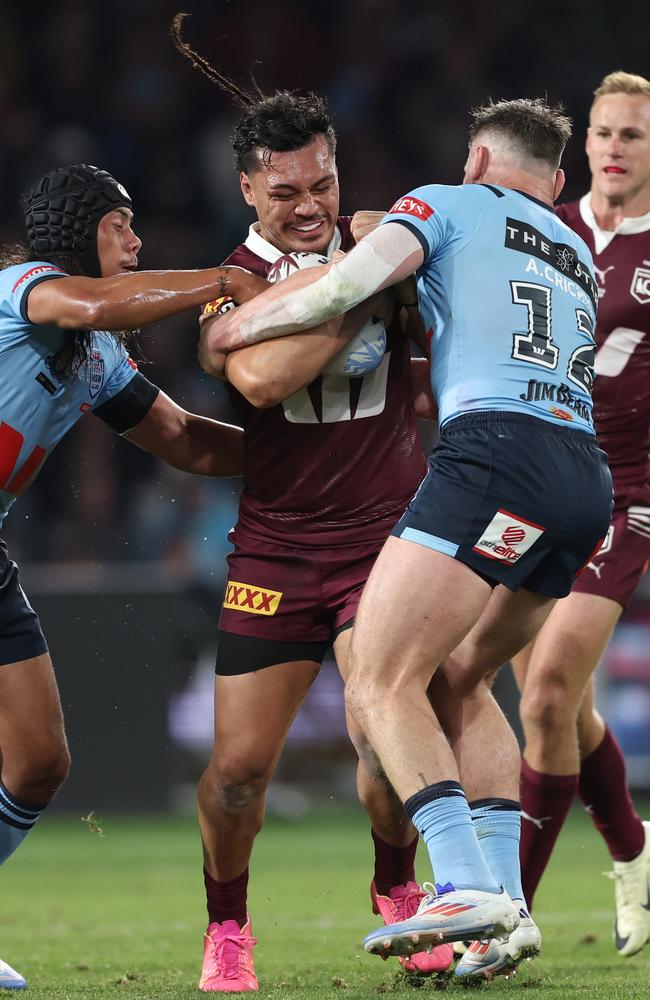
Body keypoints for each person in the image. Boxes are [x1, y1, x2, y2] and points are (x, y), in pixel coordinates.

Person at [207, 96, 613, 981]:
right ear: (555, 182)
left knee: (385, 684)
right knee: (463, 680)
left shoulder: (442, 203)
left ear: (474, 161)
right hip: (582, 478)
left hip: (493, 457)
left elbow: (350, 284)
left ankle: (462, 883)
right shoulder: (577, 249)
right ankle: (506, 908)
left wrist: (235, 326)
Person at [171, 18, 453, 993]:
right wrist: (364, 297)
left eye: (321, 185)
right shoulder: (227, 285)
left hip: (385, 542)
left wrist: (374, 263)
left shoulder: (391, 239)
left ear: (337, 168)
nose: (307, 205)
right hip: (274, 552)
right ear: (247, 186)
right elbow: (260, 381)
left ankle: (397, 892)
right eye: (283, 191)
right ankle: (226, 928)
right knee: (240, 771)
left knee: (385, 746)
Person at [0, 161, 272, 992]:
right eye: (121, 226)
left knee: (39, 761)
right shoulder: (26, 289)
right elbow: (89, 301)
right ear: (80, 230)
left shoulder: (92, 357)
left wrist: (313, 457)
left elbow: (185, 438)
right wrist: (223, 280)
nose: (136, 241)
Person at [511, 70, 650, 958]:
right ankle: (634, 853)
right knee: (558, 705)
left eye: (631, 134)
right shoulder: (549, 232)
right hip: (535, 482)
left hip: (626, 495)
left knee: (549, 691)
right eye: (602, 132)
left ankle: (509, 909)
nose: (611, 147)